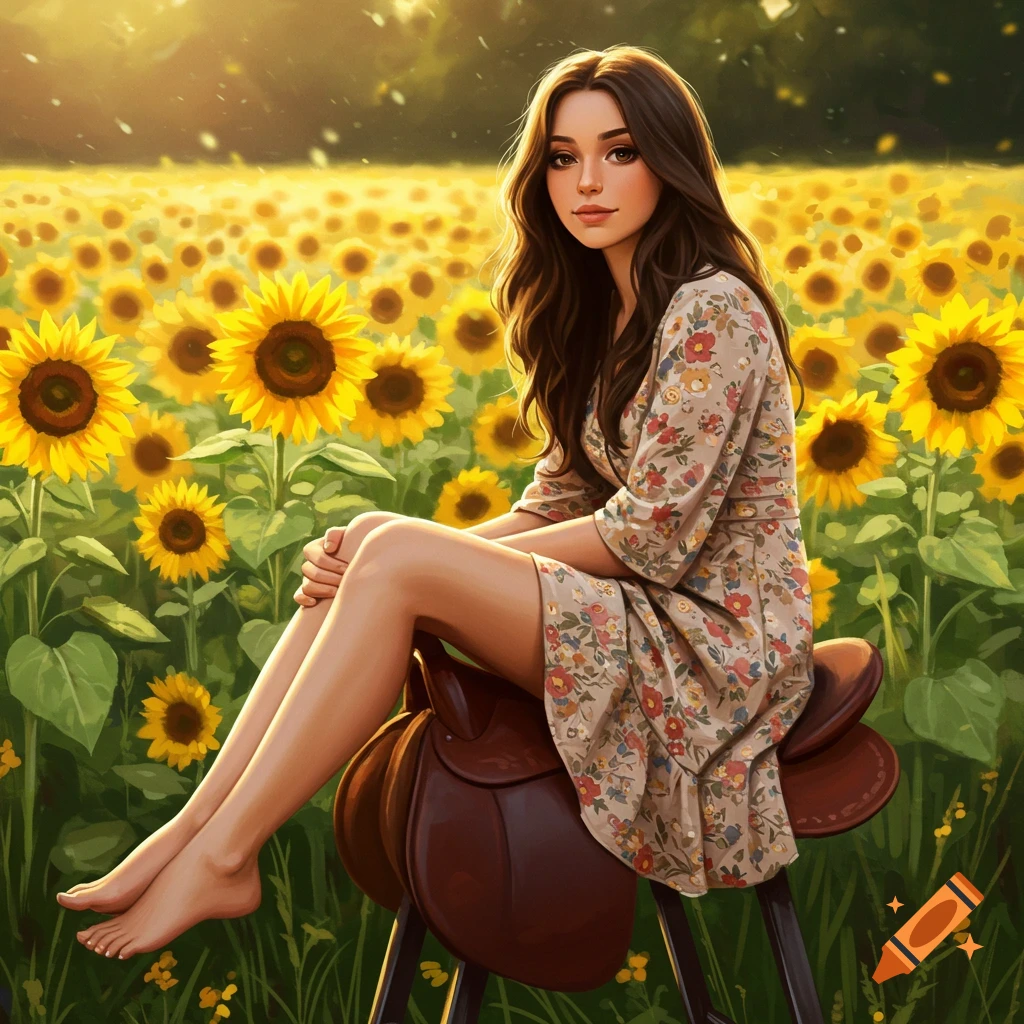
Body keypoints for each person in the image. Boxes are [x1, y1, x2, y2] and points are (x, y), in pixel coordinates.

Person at [58, 43, 813, 960]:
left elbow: (651, 533)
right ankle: (192, 832)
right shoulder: (596, 306)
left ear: (670, 161)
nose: (587, 183)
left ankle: (223, 855)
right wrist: (394, 557)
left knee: (395, 553)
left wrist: (421, 563)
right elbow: (558, 498)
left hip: (712, 645)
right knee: (373, 540)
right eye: (563, 158)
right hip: (637, 610)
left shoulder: (713, 308)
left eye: (620, 152)